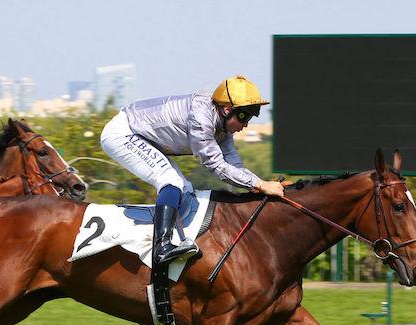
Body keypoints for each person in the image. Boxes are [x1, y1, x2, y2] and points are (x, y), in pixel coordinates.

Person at [100, 75, 285, 267]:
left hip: (142, 135)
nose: (245, 124)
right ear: (227, 109)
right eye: (243, 116)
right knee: (171, 182)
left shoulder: (221, 125)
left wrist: (260, 185)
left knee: (185, 189)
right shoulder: (201, 120)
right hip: (123, 133)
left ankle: (175, 242)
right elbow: (217, 166)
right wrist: (260, 184)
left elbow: (234, 165)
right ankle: (161, 247)